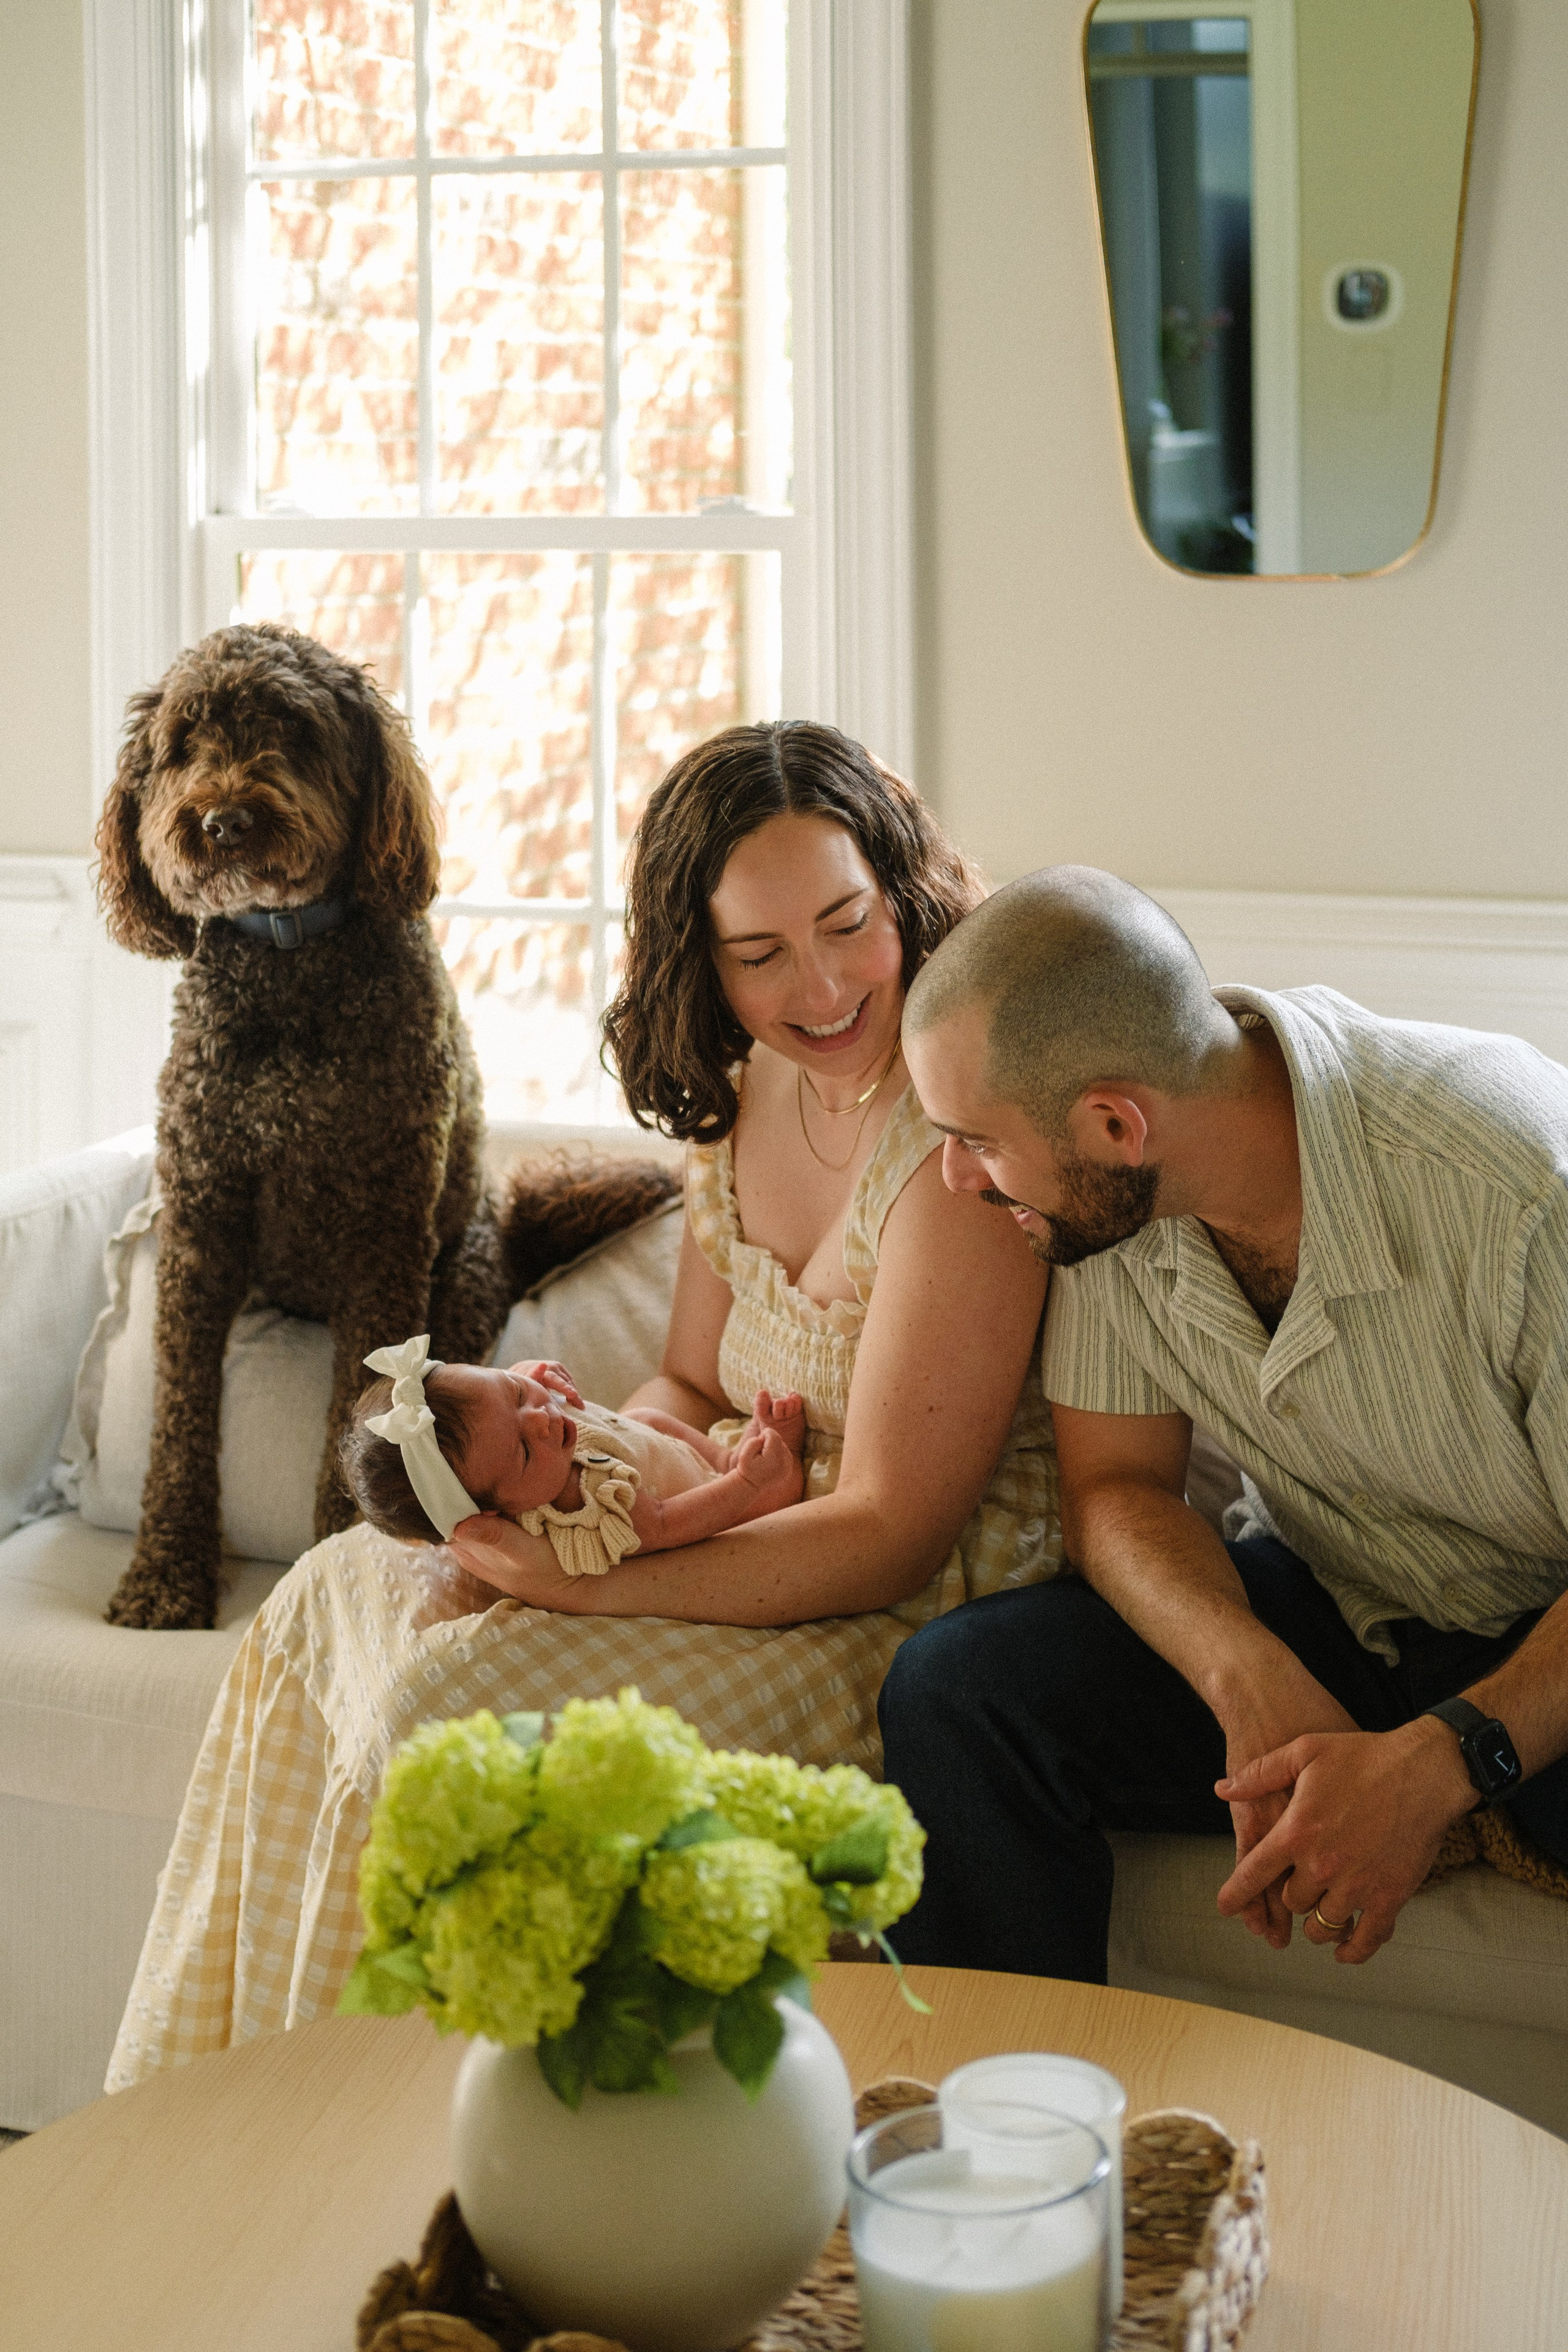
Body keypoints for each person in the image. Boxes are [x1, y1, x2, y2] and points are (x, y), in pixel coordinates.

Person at [107, 722, 1060, 2091]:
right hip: (717, 1519)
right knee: (328, 1594)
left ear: (901, 896)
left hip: (889, 1597)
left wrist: (587, 1583)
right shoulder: (747, 1094)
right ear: (700, 963)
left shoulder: (955, 1141)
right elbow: (688, 1381)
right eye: (759, 955)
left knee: (449, 1704)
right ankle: (231, 2104)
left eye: (849, 925)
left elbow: (891, 1532)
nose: (822, 986)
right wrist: (596, 1482)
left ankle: (404, 2128)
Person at [881, 862, 1568, 1983]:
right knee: (959, 1692)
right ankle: (1022, 2089)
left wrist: (1444, 1762)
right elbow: (1116, 1490)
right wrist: (1241, 1669)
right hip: (1340, 1594)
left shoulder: (1517, 1181)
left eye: (977, 1141)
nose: (956, 1177)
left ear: (1116, 1122)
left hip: (1545, 1626)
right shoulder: (1100, 1207)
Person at [340, 1336, 807, 1581]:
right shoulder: (580, 1508)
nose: (540, 1418)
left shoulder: (510, 1435)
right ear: (497, 1514)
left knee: (645, 1417)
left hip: (661, 1456)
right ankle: (762, 1480)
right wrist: (745, 1485)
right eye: (524, 1450)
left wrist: (528, 1373)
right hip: (699, 1506)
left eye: (515, 1393)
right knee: (764, 1502)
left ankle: (725, 1457)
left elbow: (501, 1405)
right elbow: (665, 1522)